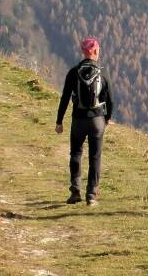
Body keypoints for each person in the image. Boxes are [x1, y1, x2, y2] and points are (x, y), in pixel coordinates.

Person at [56, 37, 114, 207]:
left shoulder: (74, 72)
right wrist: (108, 118)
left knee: (75, 153)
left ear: (83, 52)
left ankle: (75, 191)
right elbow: (111, 100)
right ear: (96, 51)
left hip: (78, 119)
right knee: (95, 157)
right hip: (97, 120)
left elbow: (65, 98)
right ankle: (92, 195)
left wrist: (59, 121)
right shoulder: (103, 72)